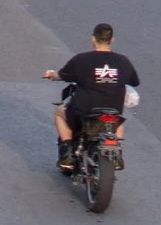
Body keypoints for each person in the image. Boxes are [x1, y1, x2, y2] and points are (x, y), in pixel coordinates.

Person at [42, 23, 140, 174]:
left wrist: (51, 75)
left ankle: (67, 152)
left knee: (60, 113)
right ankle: (117, 152)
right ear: (112, 40)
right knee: (119, 120)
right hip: (113, 110)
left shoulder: (81, 60)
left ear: (93, 39)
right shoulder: (123, 61)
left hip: (84, 111)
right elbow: (134, 81)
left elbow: (61, 75)